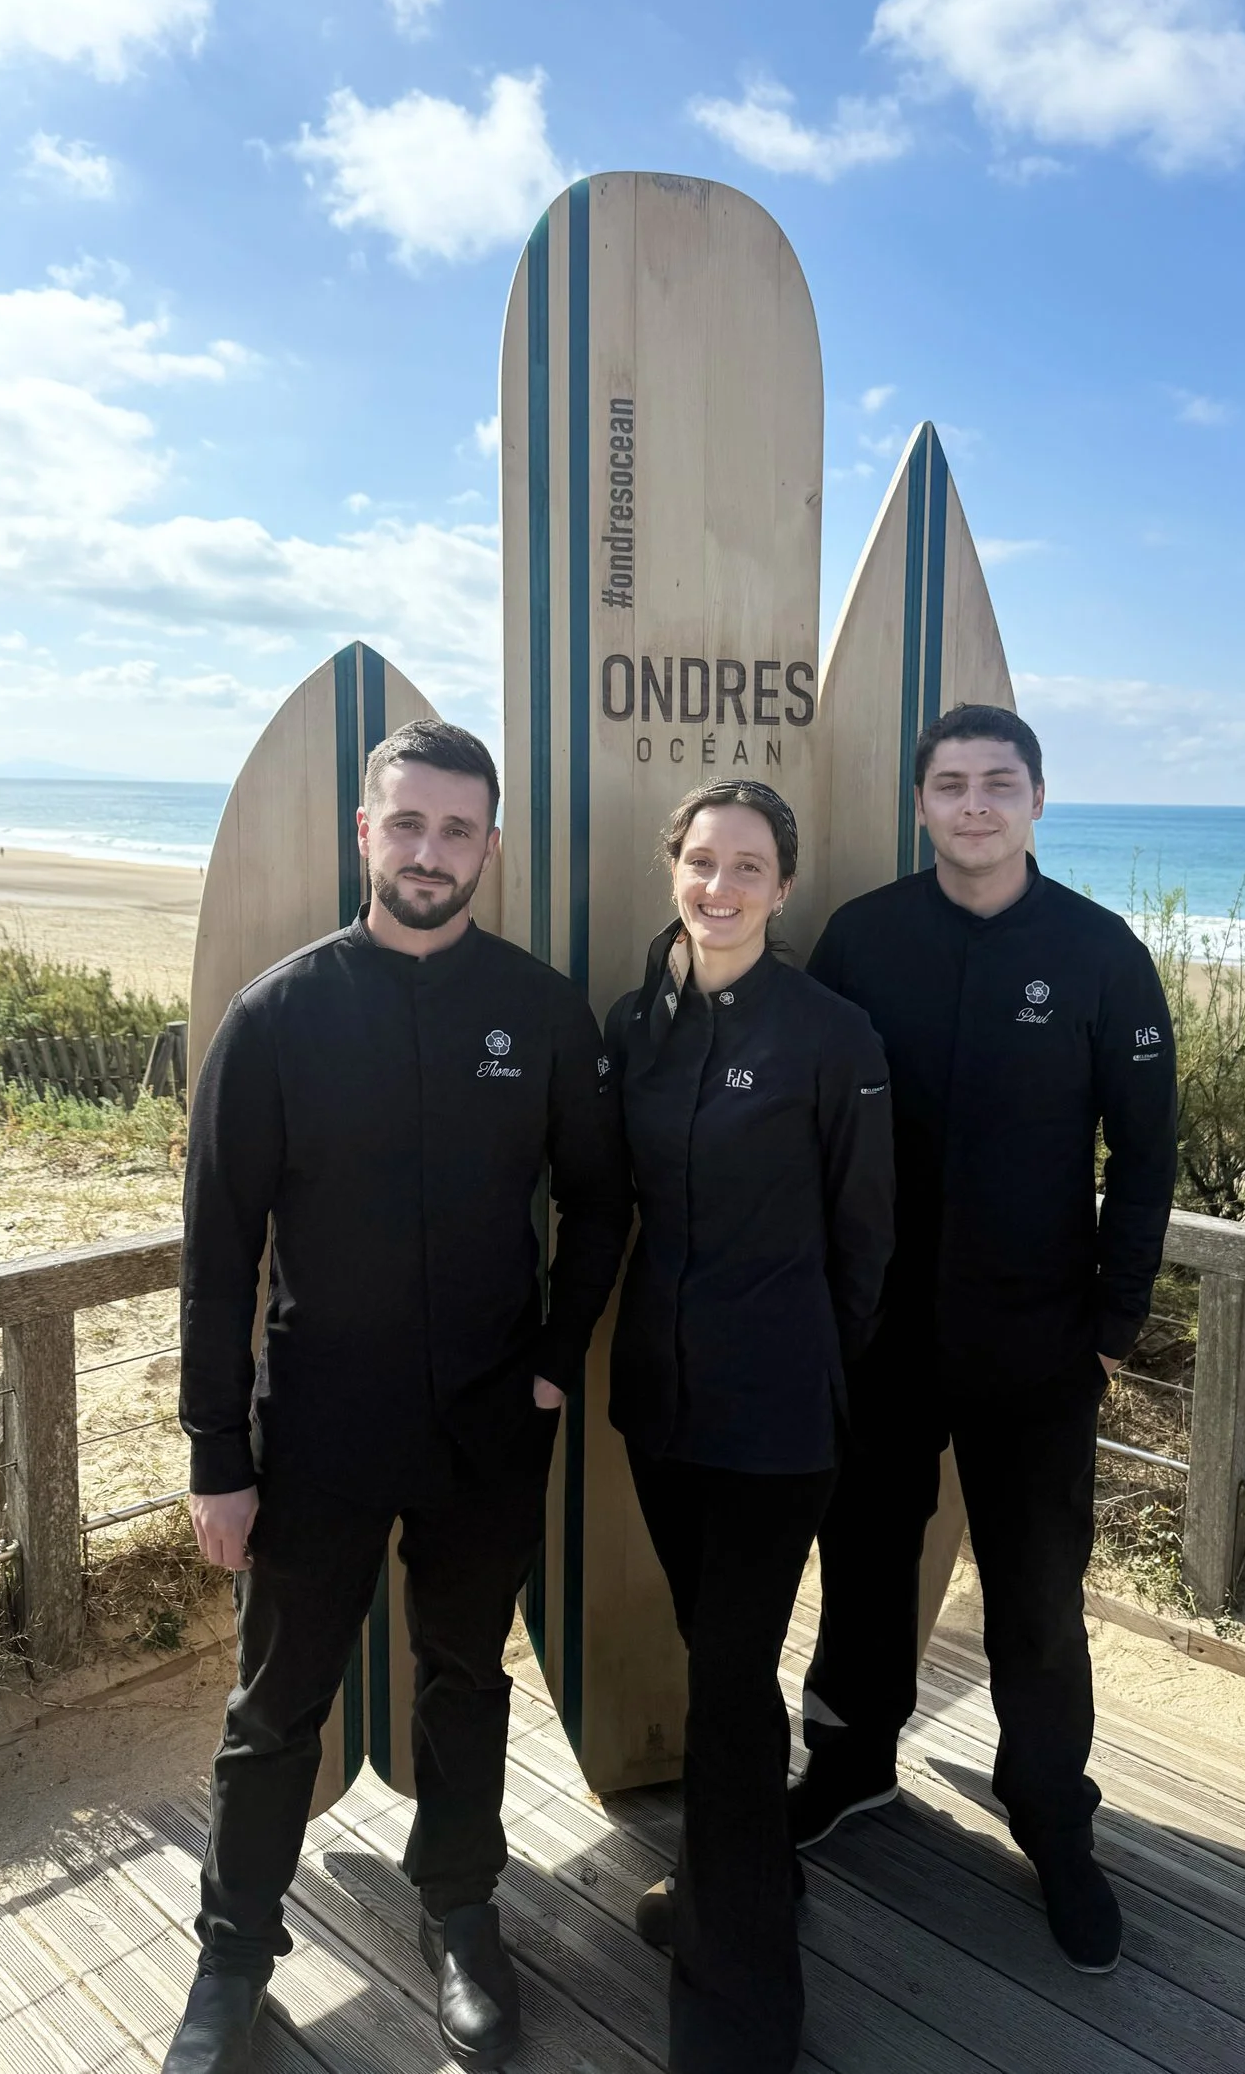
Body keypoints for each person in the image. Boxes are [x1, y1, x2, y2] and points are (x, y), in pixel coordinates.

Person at [166, 719, 631, 2074]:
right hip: (314, 1424)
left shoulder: (539, 1010)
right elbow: (214, 1255)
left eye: (458, 828)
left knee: (463, 1679)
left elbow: (601, 1198)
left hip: (490, 1420)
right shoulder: (279, 1013)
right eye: (407, 823)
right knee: (274, 1707)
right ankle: (232, 1952)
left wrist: (556, 1349)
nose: (431, 850)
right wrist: (216, 1452)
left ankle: (463, 1906)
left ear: (489, 844)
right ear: (364, 833)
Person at [790, 704, 1177, 1974]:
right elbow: (811, 1128)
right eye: (949, 784)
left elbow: (1147, 1149)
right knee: (861, 1558)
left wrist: (1114, 1319)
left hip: (1037, 1340)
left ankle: (1052, 1812)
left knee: (1035, 1593)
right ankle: (849, 1763)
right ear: (919, 803)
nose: (972, 805)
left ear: (1037, 799)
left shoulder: (1099, 951)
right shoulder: (862, 937)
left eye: (995, 784)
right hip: (882, 1330)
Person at [604, 779, 895, 2074]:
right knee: (714, 1663)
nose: (720, 886)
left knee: (727, 1694)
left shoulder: (835, 1035)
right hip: (661, 1414)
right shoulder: (634, 1024)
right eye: (702, 860)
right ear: (674, 867)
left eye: (749, 866)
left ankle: (735, 2010)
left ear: (784, 885)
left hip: (779, 1426)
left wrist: (820, 1369)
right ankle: (745, 1879)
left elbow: (864, 1236)